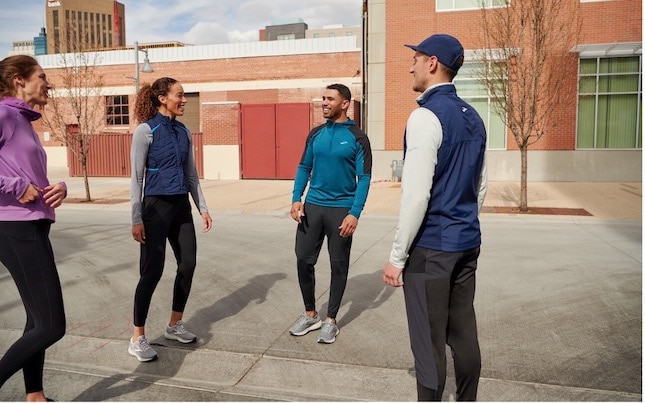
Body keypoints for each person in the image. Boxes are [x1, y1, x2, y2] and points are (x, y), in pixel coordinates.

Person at [382, 34, 488, 401]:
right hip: (466, 243)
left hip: (432, 250)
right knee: (462, 332)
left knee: (428, 345)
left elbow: (415, 195)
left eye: (417, 58)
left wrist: (397, 257)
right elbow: (480, 187)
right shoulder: (474, 117)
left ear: (433, 63)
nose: (410, 65)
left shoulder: (425, 116)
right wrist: (463, 224)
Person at [129, 77, 212, 362]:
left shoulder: (184, 131)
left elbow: (191, 173)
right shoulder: (145, 131)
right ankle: (137, 336)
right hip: (154, 208)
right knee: (151, 272)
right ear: (162, 98)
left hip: (180, 207)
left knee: (188, 263)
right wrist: (136, 217)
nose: (184, 99)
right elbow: (136, 178)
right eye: (179, 95)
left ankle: (174, 324)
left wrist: (202, 206)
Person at [0, 55, 67, 401]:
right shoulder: (3, 114)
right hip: (13, 227)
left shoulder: (23, 122)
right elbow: (15, 183)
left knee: (36, 320)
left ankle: (35, 396)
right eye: (42, 76)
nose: (48, 83)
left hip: (33, 225)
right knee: (52, 325)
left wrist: (59, 188)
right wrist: (13, 187)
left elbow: (30, 178)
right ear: (19, 80)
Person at [289, 83, 372, 344]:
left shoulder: (358, 137)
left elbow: (365, 177)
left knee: (338, 265)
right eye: (323, 98)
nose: (324, 102)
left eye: (330, 99)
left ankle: (331, 320)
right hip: (313, 207)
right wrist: (296, 198)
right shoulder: (316, 134)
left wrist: (355, 213)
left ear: (345, 103)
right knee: (303, 259)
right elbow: (304, 166)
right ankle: (311, 313)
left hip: (341, 210)